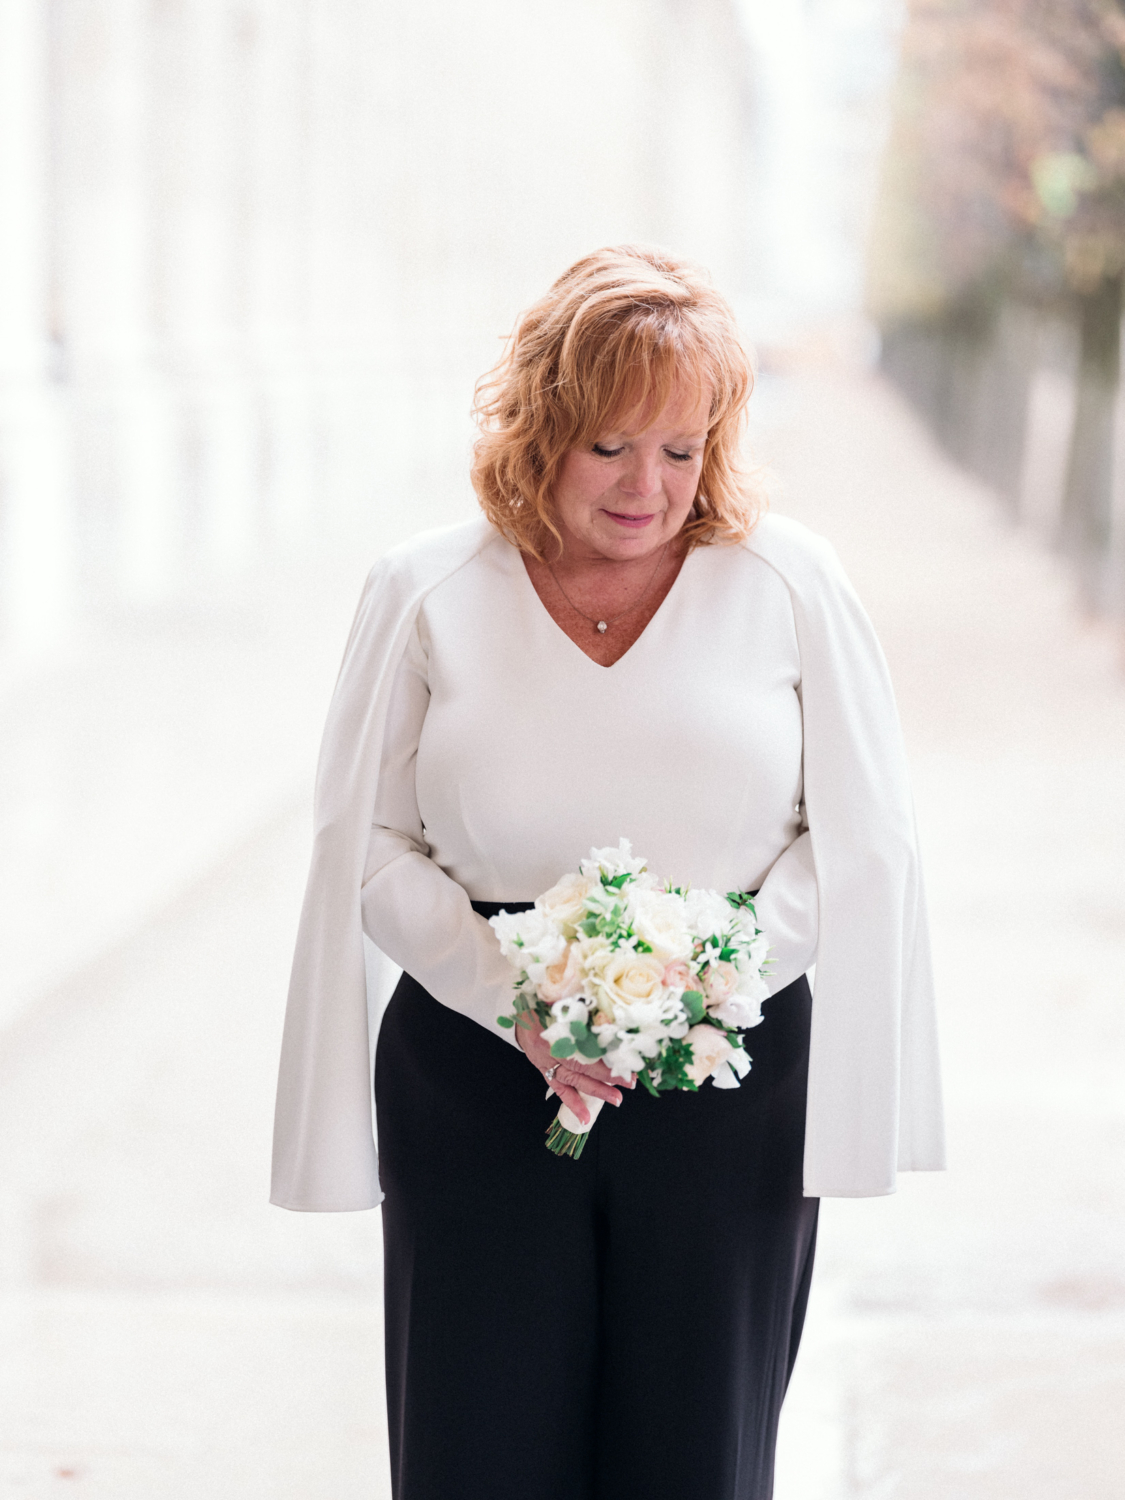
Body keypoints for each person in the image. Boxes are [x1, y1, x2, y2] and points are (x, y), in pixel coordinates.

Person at [271, 245, 945, 1500]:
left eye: (682, 450)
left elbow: (862, 837)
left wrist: (708, 979)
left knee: (697, 1460)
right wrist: (513, 994)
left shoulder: (790, 582)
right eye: (611, 448)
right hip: (477, 1083)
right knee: (474, 1450)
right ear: (542, 431)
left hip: (728, 1090)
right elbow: (363, 841)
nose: (650, 486)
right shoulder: (424, 591)